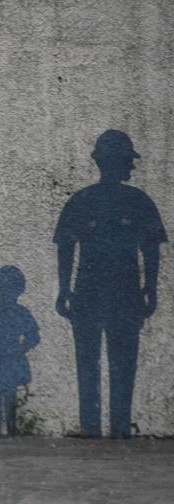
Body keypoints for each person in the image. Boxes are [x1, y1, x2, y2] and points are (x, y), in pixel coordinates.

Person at [54, 130, 166, 439]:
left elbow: (150, 247)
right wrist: (64, 290)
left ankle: (111, 428)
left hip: (117, 293)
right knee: (107, 363)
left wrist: (150, 287)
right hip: (99, 293)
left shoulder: (111, 200)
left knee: (112, 363)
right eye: (128, 161)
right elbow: (66, 245)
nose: (131, 167)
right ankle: (99, 427)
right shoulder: (114, 200)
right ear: (116, 163)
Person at [0, 266, 40, 436]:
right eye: (4, 287)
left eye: (12, 287)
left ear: (19, 289)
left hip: (11, 359)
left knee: (9, 395)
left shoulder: (21, 312)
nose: (8, 292)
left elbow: (34, 337)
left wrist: (19, 349)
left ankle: (11, 429)